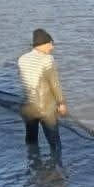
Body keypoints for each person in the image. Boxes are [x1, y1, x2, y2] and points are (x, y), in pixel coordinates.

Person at [17, 28, 67, 160]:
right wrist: (61, 103)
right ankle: (56, 169)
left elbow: (24, 80)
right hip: (46, 108)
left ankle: (33, 163)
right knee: (54, 142)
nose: (52, 47)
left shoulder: (22, 59)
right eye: (50, 43)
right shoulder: (48, 60)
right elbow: (54, 84)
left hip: (28, 107)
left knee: (31, 139)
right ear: (43, 44)